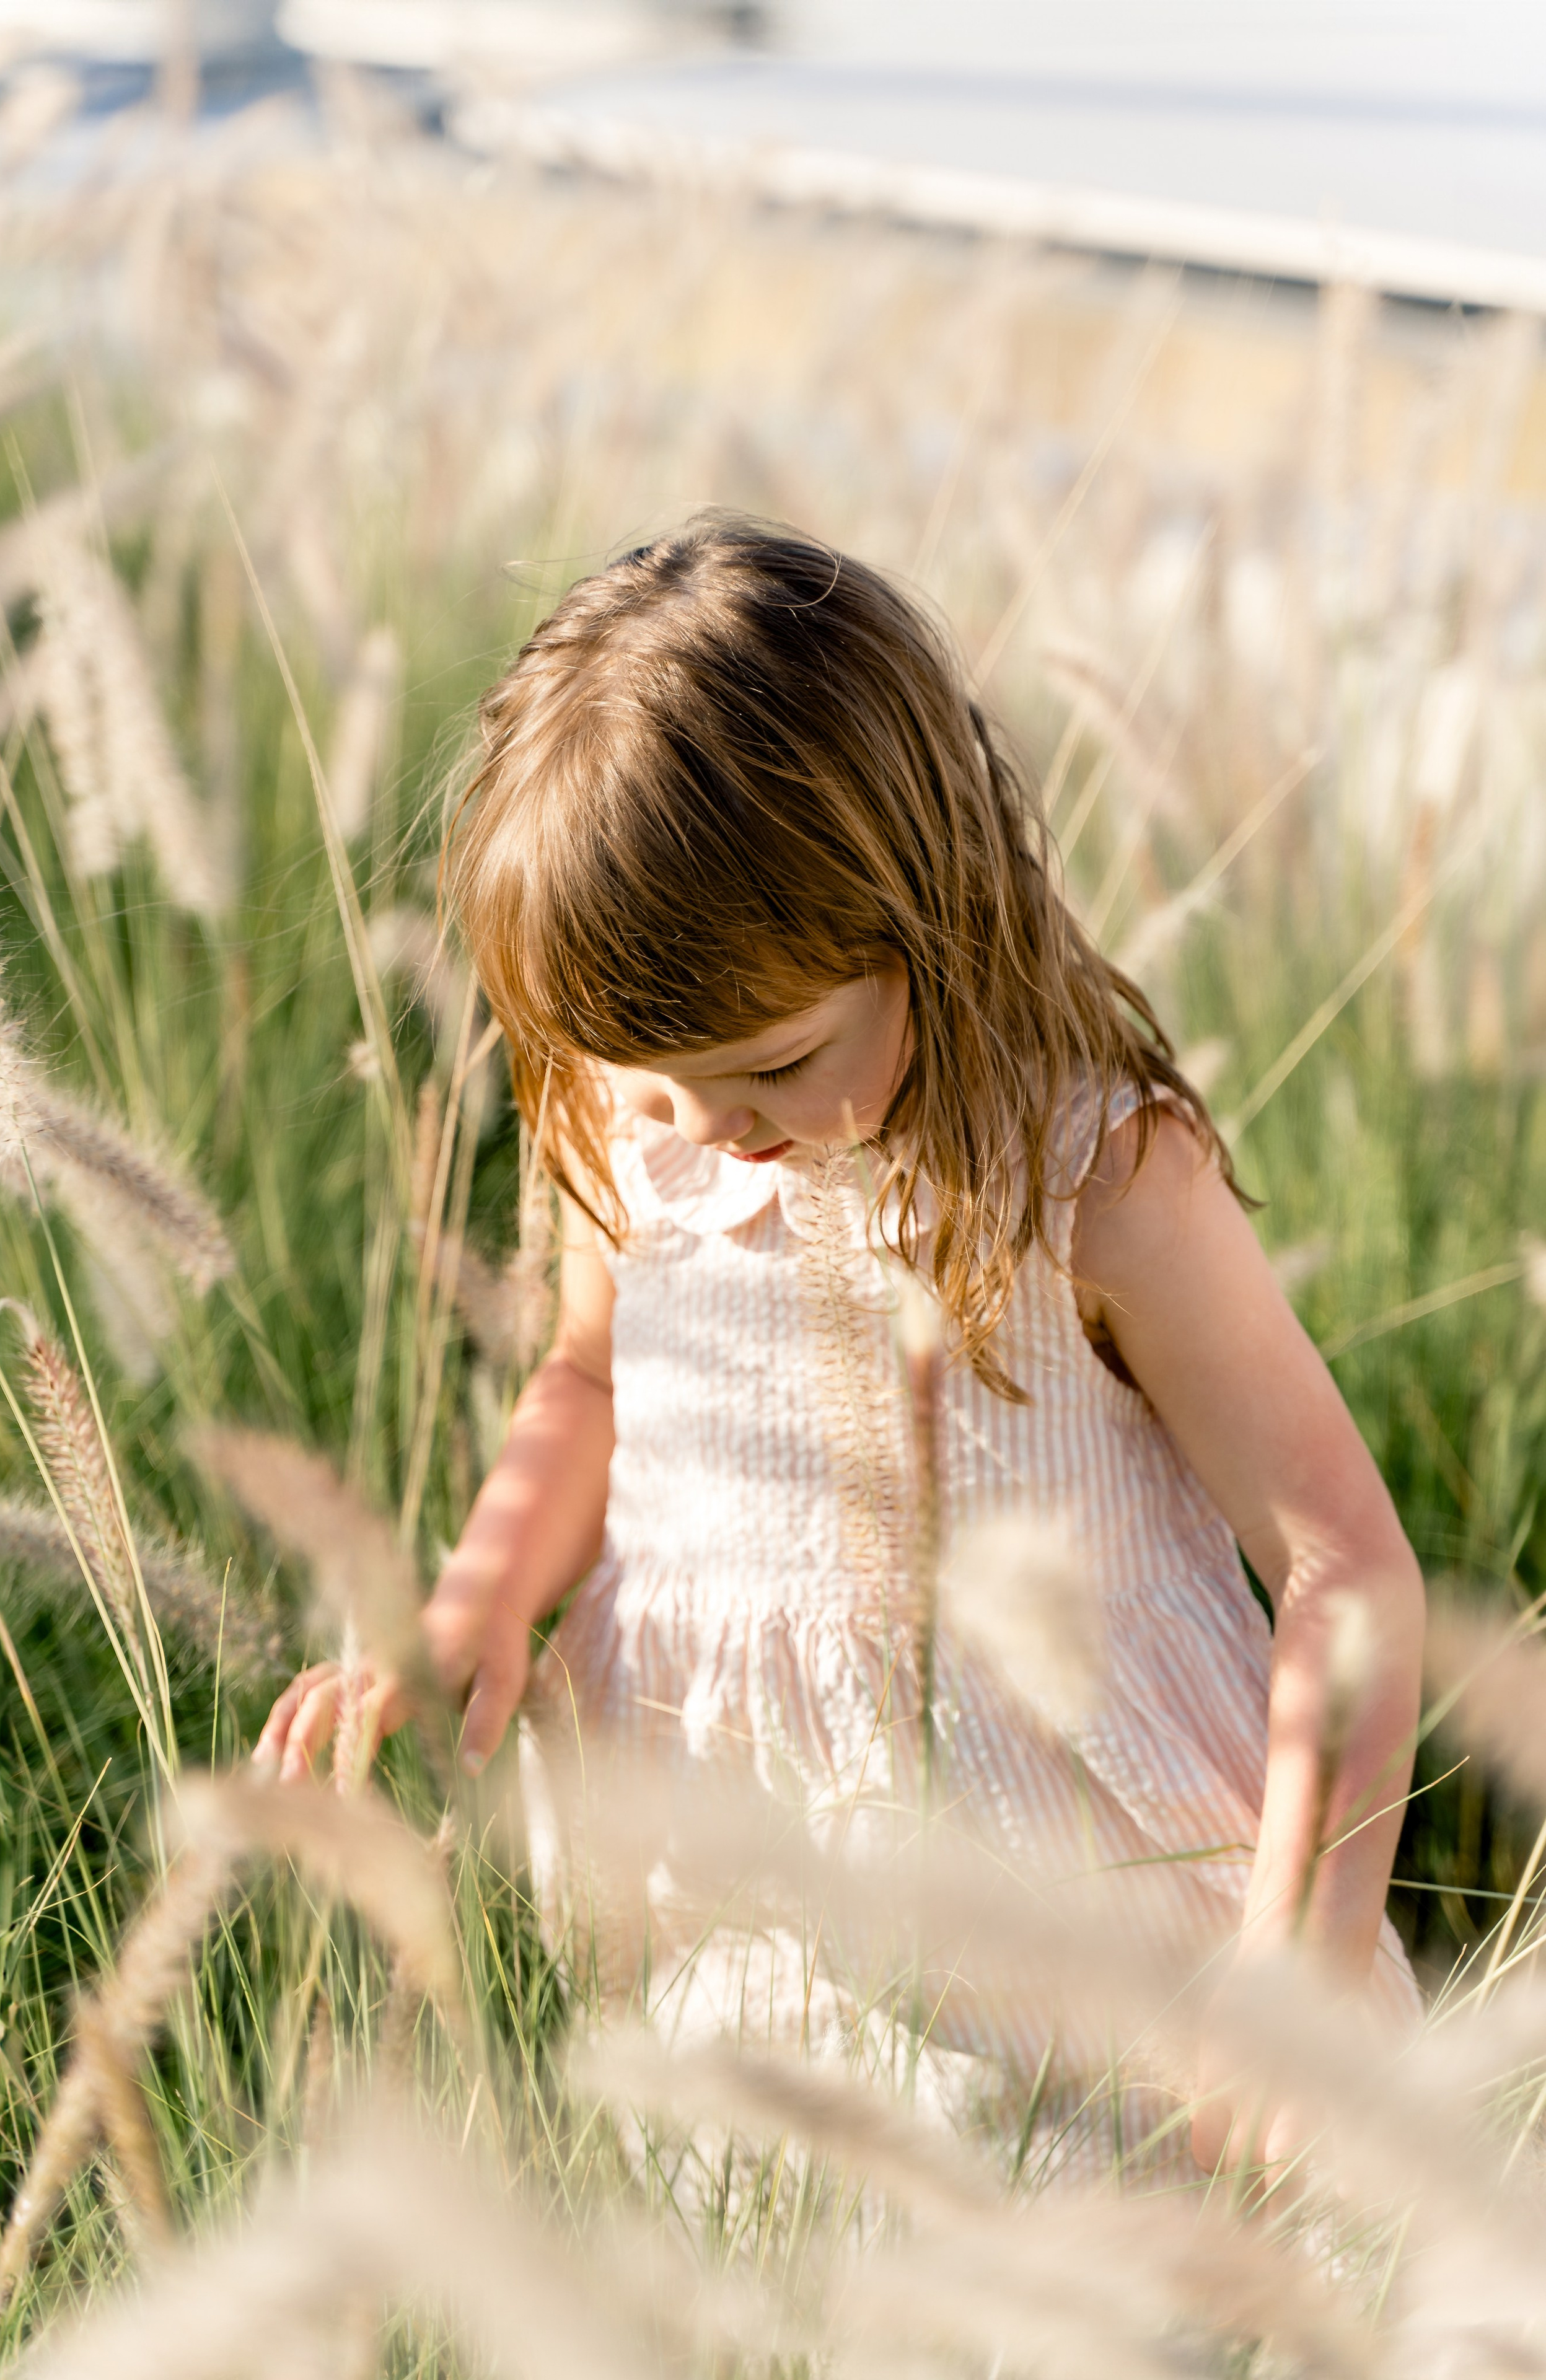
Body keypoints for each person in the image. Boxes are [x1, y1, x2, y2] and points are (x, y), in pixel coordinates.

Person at [255, 515, 1424, 2181]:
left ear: (928, 915)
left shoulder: (1093, 1181)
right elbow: (592, 1378)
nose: (706, 1130)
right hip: (747, 1912)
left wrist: (1297, 1961)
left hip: (1088, 1947)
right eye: (655, 1081)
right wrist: (479, 1599)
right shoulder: (640, 1123)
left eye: (778, 1064)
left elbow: (1341, 1565)